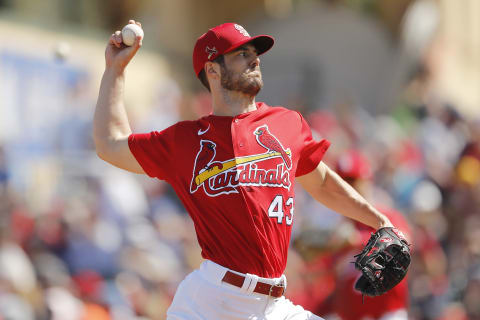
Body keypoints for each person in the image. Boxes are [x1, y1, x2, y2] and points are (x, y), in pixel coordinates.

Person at [93, 20, 399, 320]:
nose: (254, 59)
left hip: (274, 304)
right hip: (213, 302)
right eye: (240, 54)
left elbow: (322, 185)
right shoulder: (185, 141)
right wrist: (115, 71)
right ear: (212, 69)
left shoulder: (287, 123)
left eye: (253, 52)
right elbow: (110, 144)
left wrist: (381, 222)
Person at [327, 150, 411, 320]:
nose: (349, 189)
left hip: (387, 313)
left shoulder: (386, 218)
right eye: (343, 182)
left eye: (353, 181)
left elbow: (404, 244)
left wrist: (356, 241)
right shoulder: (337, 230)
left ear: (367, 182)